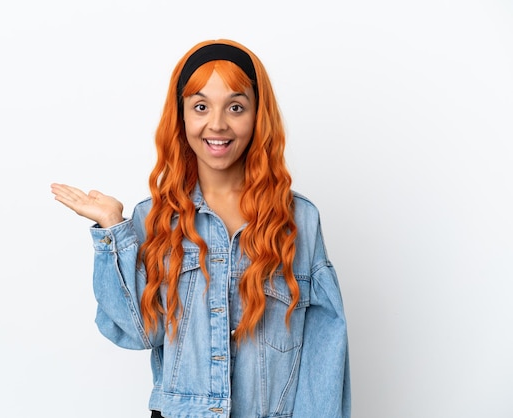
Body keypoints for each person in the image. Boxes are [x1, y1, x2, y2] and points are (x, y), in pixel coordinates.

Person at [51, 39, 350, 418]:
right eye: (201, 106)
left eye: (236, 107)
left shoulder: (297, 220)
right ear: (182, 117)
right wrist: (113, 230)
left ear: (259, 116)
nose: (217, 123)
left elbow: (324, 348)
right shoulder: (154, 218)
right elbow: (141, 332)